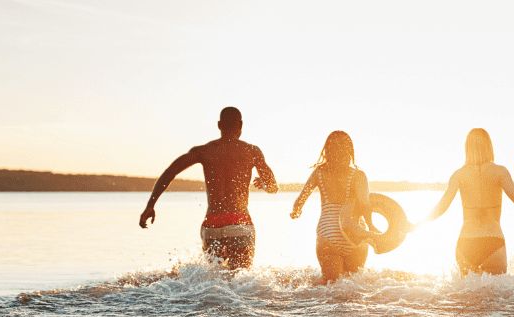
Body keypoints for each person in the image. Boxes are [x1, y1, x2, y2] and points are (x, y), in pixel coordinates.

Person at [139, 107, 278, 269]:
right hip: (240, 223)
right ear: (240, 125)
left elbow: (170, 172)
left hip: (212, 224)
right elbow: (273, 187)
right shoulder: (251, 151)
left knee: (212, 279)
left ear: (219, 125)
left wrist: (150, 205)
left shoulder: (205, 151)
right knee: (242, 278)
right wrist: (263, 184)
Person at [428, 128, 514, 275]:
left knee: (467, 289)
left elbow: (442, 207)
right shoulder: (499, 171)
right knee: (497, 290)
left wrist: (416, 225)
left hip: (466, 241)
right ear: (489, 146)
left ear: (467, 148)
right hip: (493, 240)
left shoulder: (459, 175)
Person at [290, 131, 375, 283]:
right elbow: (365, 205)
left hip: (328, 232)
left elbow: (300, 200)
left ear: (327, 150)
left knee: (331, 287)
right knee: (352, 287)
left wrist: (296, 211)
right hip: (355, 233)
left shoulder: (319, 173)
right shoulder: (358, 175)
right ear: (349, 150)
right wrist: (372, 227)